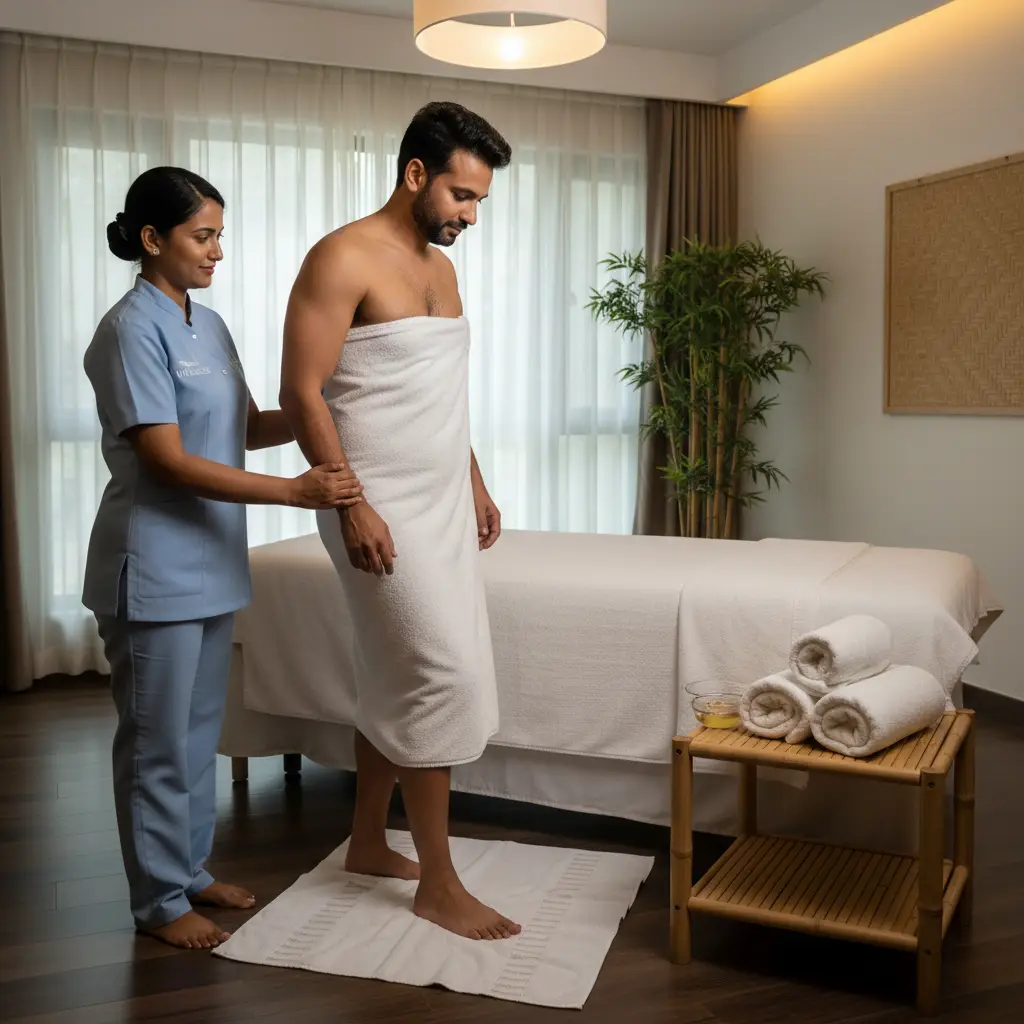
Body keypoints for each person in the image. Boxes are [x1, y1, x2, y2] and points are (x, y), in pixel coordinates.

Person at [83, 166, 363, 951]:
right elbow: (167, 460)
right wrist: (294, 492)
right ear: (152, 239)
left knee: (196, 733)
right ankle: (158, 902)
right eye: (203, 236)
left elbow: (244, 425)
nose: (217, 252)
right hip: (154, 567)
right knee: (155, 744)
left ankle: (188, 869)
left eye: (219, 236)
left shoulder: (209, 327)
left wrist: (326, 399)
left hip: (211, 562)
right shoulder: (129, 329)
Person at [279, 102, 521, 940]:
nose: (469, 215)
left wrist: (476, 483)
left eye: (480, 200)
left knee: (393, 676)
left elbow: (439, 398)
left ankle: (365, 843)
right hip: (375, 507)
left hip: (442, 503)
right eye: (461, 195)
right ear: (415, 174)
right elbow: (302, 392)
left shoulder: (442, 270)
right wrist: (351, 505)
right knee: (438, 673)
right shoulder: (342, 258)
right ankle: (439, 883)